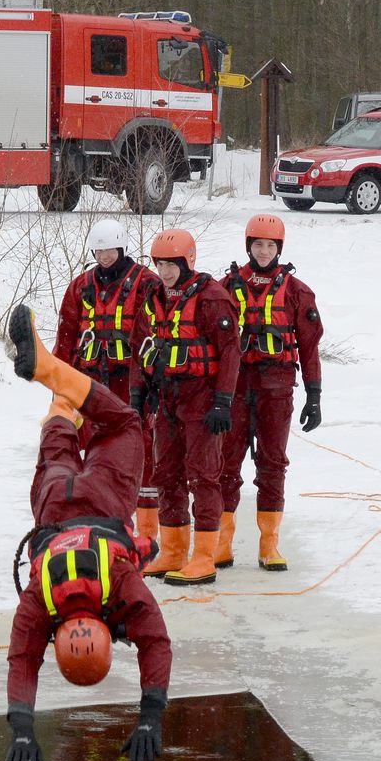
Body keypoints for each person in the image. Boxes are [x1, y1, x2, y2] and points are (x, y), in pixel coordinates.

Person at [4, 305, 172, 761]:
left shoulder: (118, 585)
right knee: (57, 442)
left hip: (104, 501)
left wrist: (150, 717)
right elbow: (22, 658)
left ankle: (51, 372)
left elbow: (156, 642)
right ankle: (62, 406)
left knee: (122, 424)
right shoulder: (43, 600)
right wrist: (21, 730)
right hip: (54, 504)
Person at [133, 228, 242, 586]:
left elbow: (229, 352)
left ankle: (204, 556)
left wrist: (223, 401)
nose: (164, 272)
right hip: (167, 398)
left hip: (203, 399)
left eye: (171, 265)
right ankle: (174, 550)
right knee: (167, 474)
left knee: (203, 475)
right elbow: (143, 345)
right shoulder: (153, 297)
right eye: (160, 264)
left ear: (188, 261)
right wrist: (141, 392)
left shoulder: (213, 299)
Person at [218, 214, 324, 571]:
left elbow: (309, 347)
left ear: (279, 248)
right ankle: (221, 543)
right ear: (248, 246)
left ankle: (269, 545)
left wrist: (315, 394)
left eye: (270, 245)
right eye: (257, 244)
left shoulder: (296, 292)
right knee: (225, 465)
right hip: (233, 388)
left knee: (273, 465)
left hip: (276, 388)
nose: (263, 252)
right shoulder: (225, 287)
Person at [53, 219, 161, 538]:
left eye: (109, 249)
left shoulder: (146, 284)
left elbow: (158, 334)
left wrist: (154, 386)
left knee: (140, 453)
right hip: (92, 383)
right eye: (99, 250)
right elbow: (66, 338)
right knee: (95, 453)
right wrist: (61, 390)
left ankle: (147, 534)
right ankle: (103, 526)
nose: (104, 256)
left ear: (121, 247)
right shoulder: (81, 286)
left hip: (131, 383)